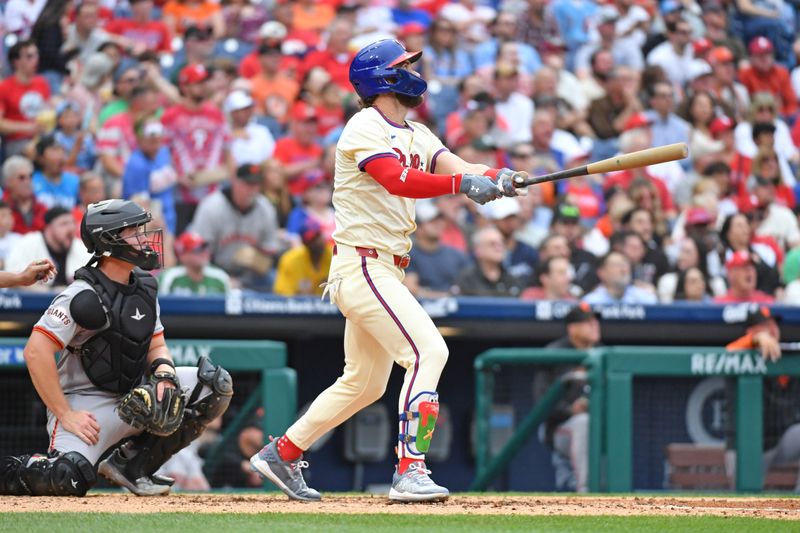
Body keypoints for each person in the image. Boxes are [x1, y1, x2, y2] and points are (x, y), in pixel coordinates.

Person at [249, 38, 525, 503]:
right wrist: (463, 183)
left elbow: (455, 165)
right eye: (405, 65)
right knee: (428, 352)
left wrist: (497, 176)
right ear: (383, 78)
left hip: (386, 268)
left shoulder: (417, 133)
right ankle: (410, 469)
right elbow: (398, 179)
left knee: (364, 383)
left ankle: (282, 452)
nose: (415, 70)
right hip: (361, 264)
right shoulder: (364, 126)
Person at [0, 199, 233, 497]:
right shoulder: (81, 295)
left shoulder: (145, 287)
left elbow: (156, 343)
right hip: (85, 407)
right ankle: (11, 471)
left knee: (214, 384)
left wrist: (164, 374)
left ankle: (132, 467)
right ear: (108, 240)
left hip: (136, 398)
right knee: (65, 478)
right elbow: (36, 351)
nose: (144, 239)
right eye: (134, 232)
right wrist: (65, 413)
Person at [724, 305, 800, 490]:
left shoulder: (788, 357)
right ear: (750, 330)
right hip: (745, 446)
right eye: (765, 325)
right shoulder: (741, 353)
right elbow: (729, 351)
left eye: (774, 324)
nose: (772, 328)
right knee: (742, 501)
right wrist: (756, 339)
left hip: (780, 441)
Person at [541, 302, 602, 492]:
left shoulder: (604, 354)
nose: (594, 325)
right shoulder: (554, 354)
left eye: (595, 321)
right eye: (587, 322)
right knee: (583, 422)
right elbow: (542, 403)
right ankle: (586, 492)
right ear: (572, 328)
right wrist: (570, 409)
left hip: (600, 425)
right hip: (561, 427)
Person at [189, 164, 280, 289]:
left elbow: (270, 251)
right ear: (235, 182)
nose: (252, 189)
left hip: (250, 274)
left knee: (274, 279)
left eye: (256, 184)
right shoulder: (211, 207)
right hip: (216, 269)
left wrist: (258, 260)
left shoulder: (266, 209)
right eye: (248, 184)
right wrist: (222, 278)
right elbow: (198, 250)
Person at [5, 207, 92, 291]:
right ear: (48, 228)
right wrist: (51, 292)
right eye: (64, 224)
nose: (71, 228)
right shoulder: (29, 242)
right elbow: (14, 278)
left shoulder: (80, 246)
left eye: (73, 223)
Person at [404, 201, 470, 298]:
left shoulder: (456, 255)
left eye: (440, 220)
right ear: (417, 227)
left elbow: (468, 287)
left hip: (458, 310)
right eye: (431, 221)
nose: (438, 224)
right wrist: (444, 296)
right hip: (421, 309)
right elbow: (410, 289)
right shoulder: (408, 254)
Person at [0, 40, 49, 156]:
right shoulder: (4, 87)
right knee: (38, 152)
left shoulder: (42, 82)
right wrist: (27, 128)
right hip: (17, 141)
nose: (35, 60)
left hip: (41, 136)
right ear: (16, 62)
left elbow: (47, 110)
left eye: (36, 55)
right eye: (29, 56)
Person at [272, 219, 333, 297]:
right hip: (299, 307)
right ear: (305, 243)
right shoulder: (291, 260)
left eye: (319, 236)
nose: (318, 242)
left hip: (330, 306)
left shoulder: (335, 256)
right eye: (313, 239)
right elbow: (282, 295)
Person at [159, 232, 231, 296]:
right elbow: (159, 306)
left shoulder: (219, 277)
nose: (204, 253)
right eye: (198, 249)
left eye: (205, 248)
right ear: (183, 256)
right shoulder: (170, 277)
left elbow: (230, 306)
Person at [583, 251, 658, 304]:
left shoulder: (643, 297)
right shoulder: (591, 302)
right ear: (601, 273)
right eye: (617, 265)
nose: (624, 270)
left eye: (626, 265)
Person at [1, 155, 48, 235]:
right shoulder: (2, 210)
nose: (28, 181)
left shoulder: (42, 208)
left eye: (30, 176)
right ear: (8, 182)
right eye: (21, 178)